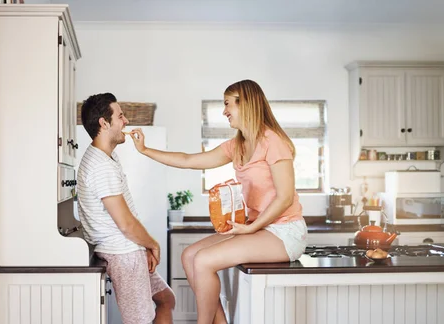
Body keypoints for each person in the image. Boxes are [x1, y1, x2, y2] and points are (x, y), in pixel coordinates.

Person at [128, 80, 308, 324]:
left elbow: (285, 197)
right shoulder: (238, 145)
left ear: (246, 104)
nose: (224, 111)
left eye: (227, 104)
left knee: (203, 260)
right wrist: (145, 150)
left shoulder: (272, 141)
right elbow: (188, 159)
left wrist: (252, 227)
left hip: (285, 232)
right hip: (259, 229)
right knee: (190, 255)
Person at [77, 93, 176, 324]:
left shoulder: (106, 158)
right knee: (140, 321)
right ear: (104, 123)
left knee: (165, 299)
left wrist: (145, 246)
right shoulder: (101, 167)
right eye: (120, 116)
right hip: (123, 254)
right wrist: (153, 244)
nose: (126, 121)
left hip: (129, 249)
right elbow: (126, 223)